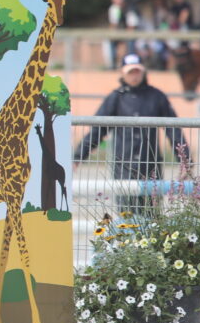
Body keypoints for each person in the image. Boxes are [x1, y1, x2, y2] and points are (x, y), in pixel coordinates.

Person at [74, 53, 192, 216]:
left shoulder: (157, 96)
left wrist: (185, 160)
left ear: (143, 72)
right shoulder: (115, 98)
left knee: (152, 213)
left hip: (150, 164)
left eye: (137, 71)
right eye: (130, 72)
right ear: (122, 73)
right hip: (123, 165)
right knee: (126, 213)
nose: (134, 76)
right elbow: (97, 131)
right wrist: (78, 157)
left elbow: (173, 130)